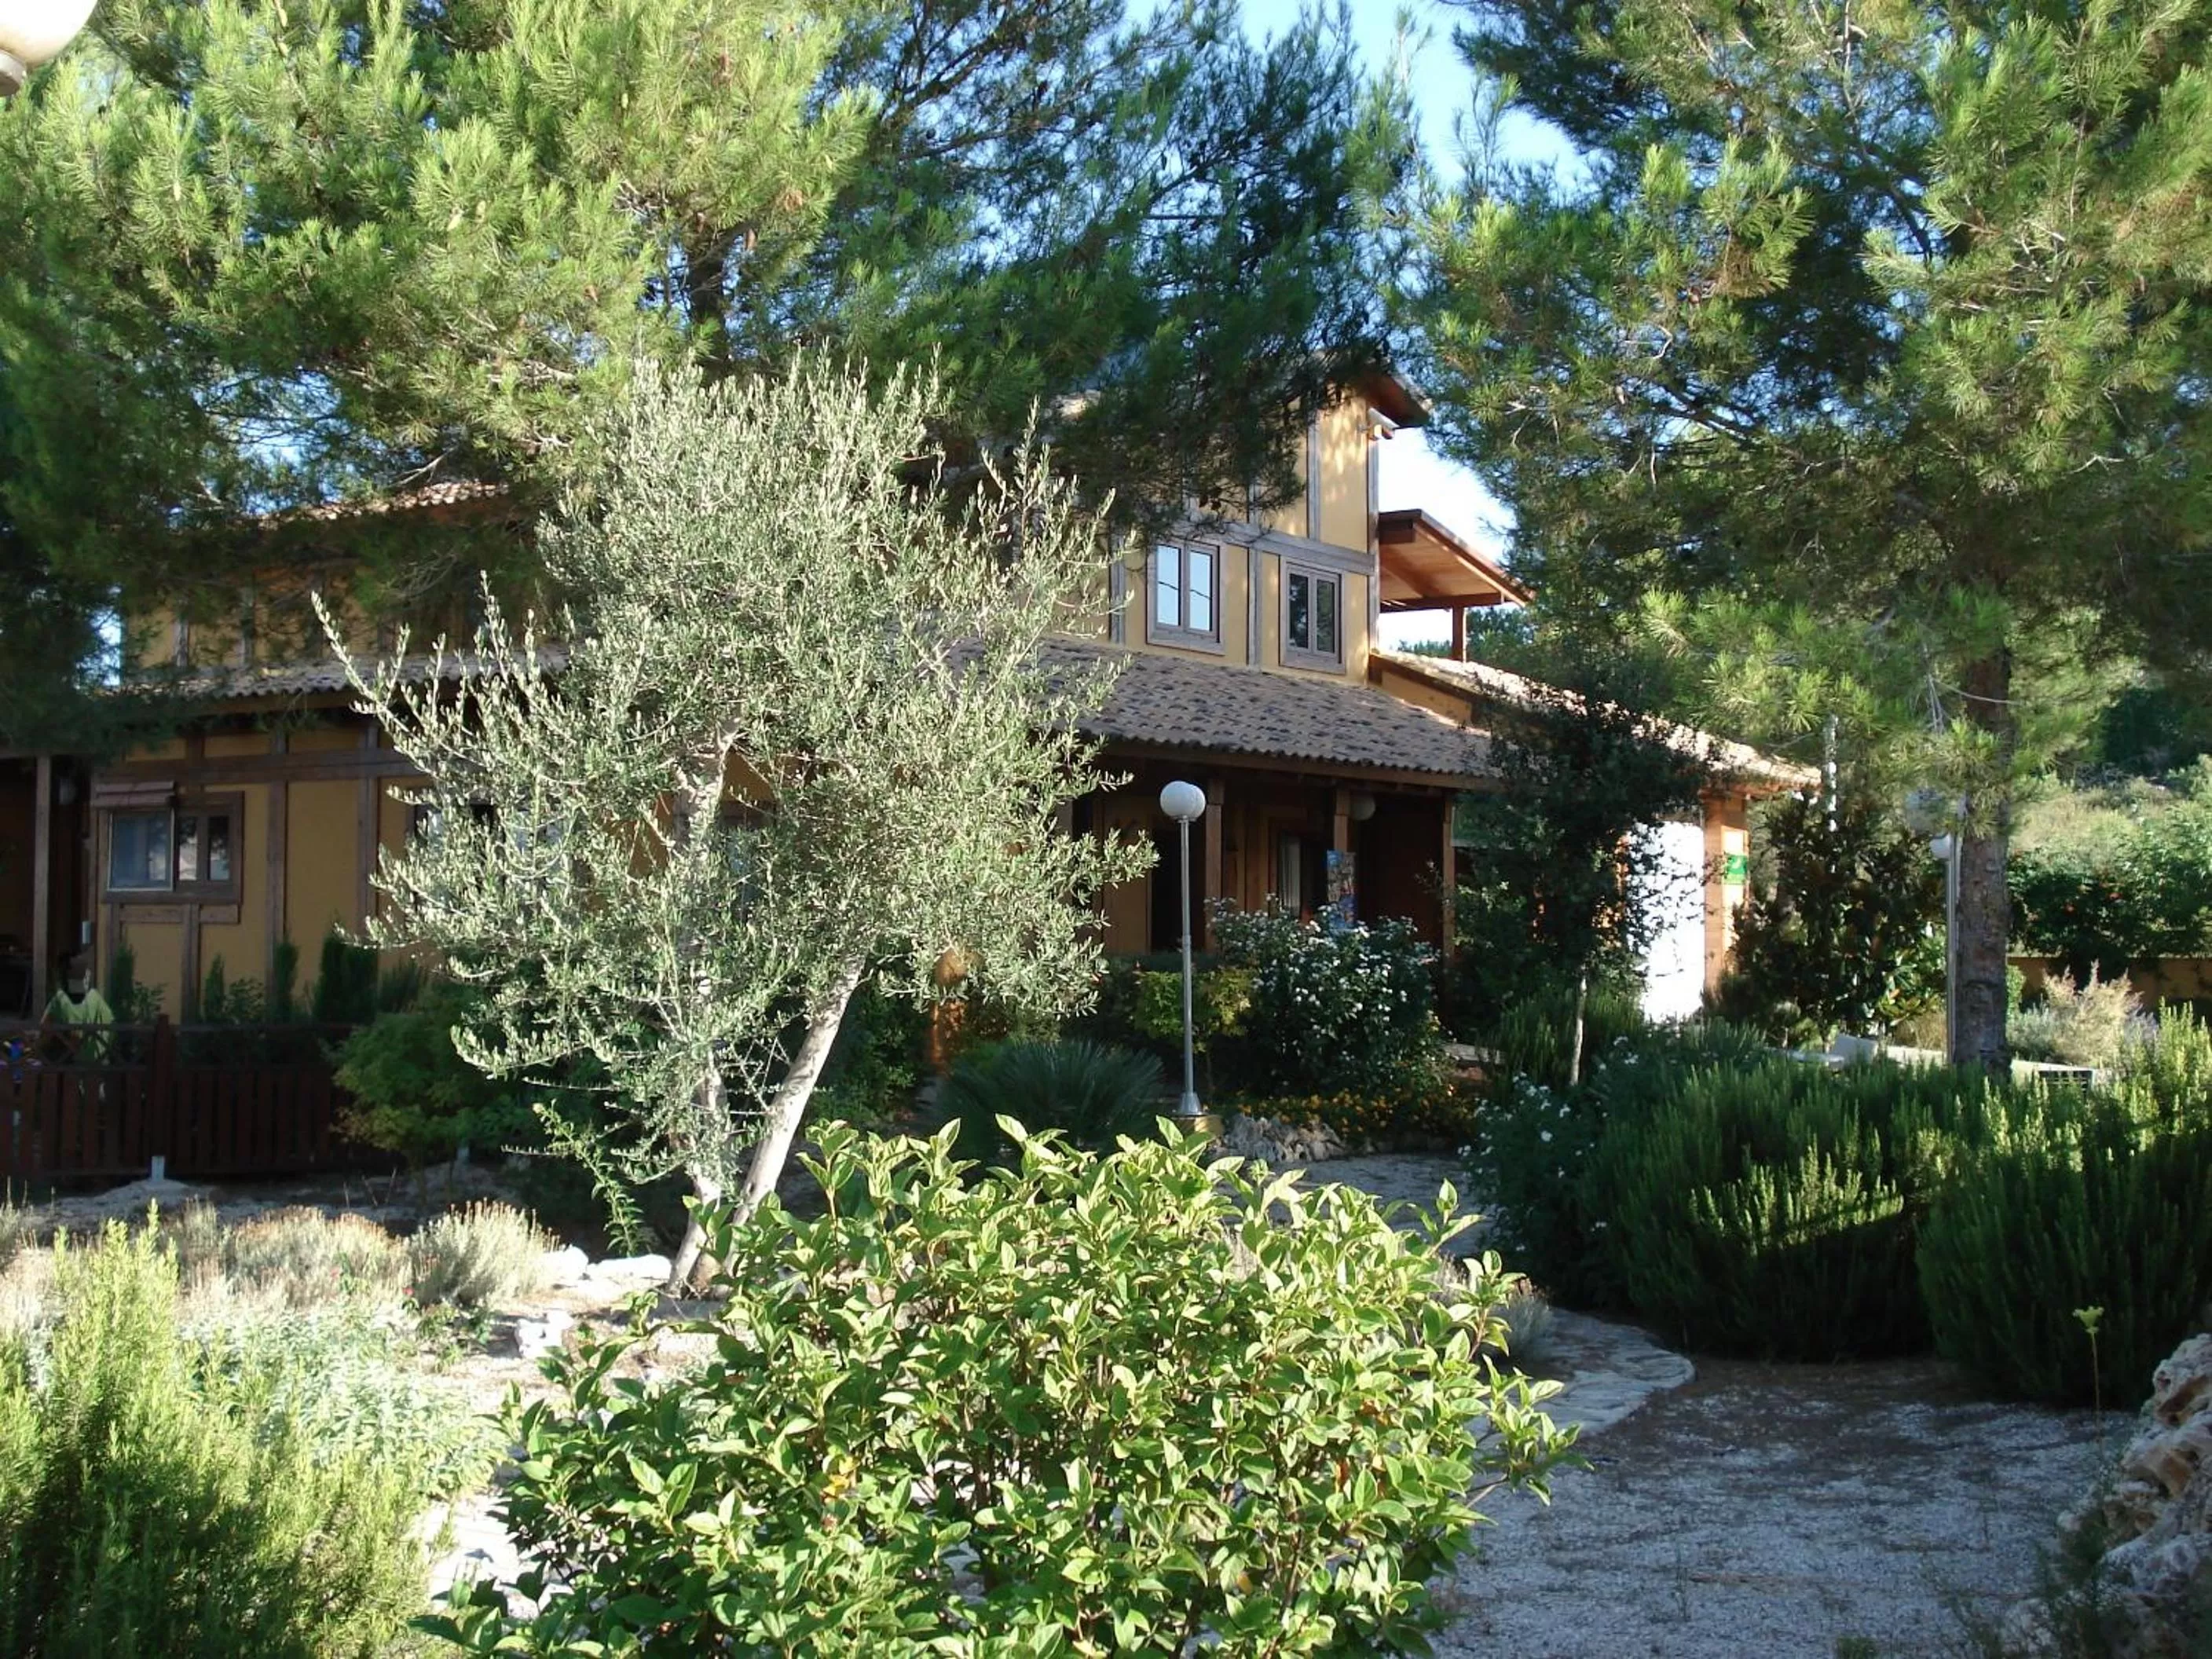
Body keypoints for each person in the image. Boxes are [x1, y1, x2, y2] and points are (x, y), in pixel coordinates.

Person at [42, 952, 115, 1062]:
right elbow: (112, 1025)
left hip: (79, 1063)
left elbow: (74, 1040)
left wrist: (33, 1050)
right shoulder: (95, 996)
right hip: (101, 1061)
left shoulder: (63, 999)